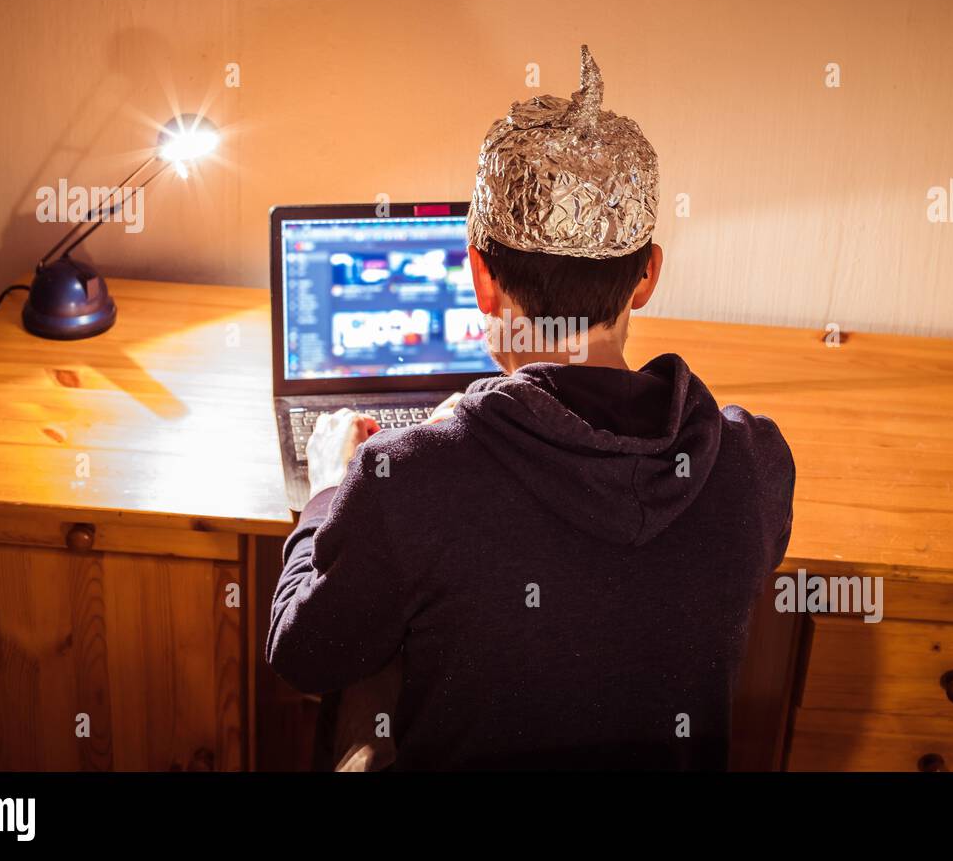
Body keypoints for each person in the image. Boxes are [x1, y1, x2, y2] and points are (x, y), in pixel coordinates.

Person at [267, 47, 795, 770]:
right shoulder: (752, 463)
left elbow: (303, 654)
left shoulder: (408, 479)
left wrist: (331, 489)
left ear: (480, 277)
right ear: (647, 278)